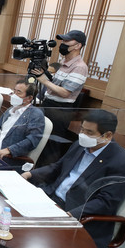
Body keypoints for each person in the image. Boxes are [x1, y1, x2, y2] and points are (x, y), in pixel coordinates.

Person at [22, 110, 125, 248]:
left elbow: (106, 202)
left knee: (30, 237)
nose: (83, 135)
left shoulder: (121, 162)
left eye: (89, 132)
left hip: (78, 212)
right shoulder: (80, 145)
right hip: (52, 198)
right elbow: (58, 167)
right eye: (82, 129)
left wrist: (71, 214)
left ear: (107, 135)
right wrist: (29, 174)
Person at [33, 30, 88, 165]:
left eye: (67, 41)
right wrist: (44, 74)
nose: (63, 44)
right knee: (41, 140)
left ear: (78, 46)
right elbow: (55, 84)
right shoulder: (64, 63)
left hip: (60, 110)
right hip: (48, 105)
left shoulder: (80, 67)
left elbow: (65, 92)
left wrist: (44, 81)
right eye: (63, 41)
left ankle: (44, 173)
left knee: (51, 145)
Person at [0, 78, 44, 162]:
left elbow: (32, 140)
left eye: (18, 92)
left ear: (29, 98)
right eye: (14, 91)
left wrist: (9, 150)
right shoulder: (10, 110)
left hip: (4, 157)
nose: (14, 95)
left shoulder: (35, 114)